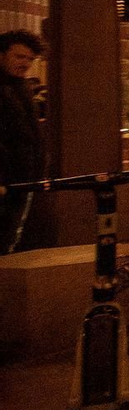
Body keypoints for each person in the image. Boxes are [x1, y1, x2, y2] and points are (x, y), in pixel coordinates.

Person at [0, 31, 46, 253]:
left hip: (21, 180)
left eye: (30, 59)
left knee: (9, 237)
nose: (26, 63)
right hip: (6, 182)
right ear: (2, 55)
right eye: (19, 57)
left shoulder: (20, 87)